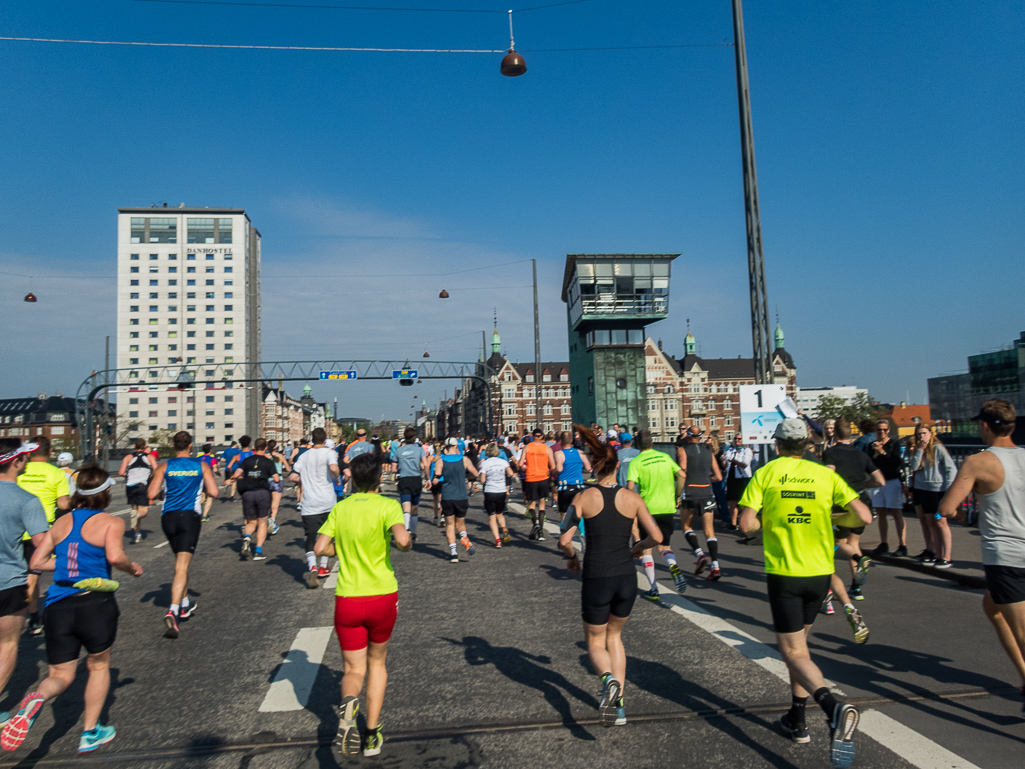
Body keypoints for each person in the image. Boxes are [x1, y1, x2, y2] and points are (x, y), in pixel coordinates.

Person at [738, 418, 871, 765]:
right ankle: (797, 720)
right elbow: (864, 516)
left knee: (793, 653)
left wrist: (773, 518)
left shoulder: (767, 473)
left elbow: (745, 523)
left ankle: (832, 707)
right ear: (808, 445)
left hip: (785, 573)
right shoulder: (824, 475)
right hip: (821, 573)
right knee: (802, 650)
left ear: (778, 444)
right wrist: (826, 518)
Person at [2, 467, 143, 754]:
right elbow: (115, 556)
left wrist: (68, 564)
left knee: (61, 675)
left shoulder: (61, 523)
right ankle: (91, 731)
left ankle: (36, 698)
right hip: (95, 602)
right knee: (99, 665)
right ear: (105, 493)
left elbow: (37, 564)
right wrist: (132, 568)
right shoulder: (110, 522)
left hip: (58, 604)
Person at [560, 425, 661, 728]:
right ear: (618, 466)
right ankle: (619, 709)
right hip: (626, 579)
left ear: (595, 465)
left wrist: (573, 558)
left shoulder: (584, 497)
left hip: (597, 576)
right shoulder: (632, 498)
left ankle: (607, 681)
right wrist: (637, 548)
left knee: (595, 641)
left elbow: (564, 540)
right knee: (615, 637)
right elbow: (655, 536)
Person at [314, 453, 411, 757]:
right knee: (377, 663)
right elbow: (404, 540)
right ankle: (371, 733)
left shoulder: (340, 509)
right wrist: (400, 542)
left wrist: (337, 549)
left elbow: (319, 547)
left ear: (352, 480)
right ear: (380, 478)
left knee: (353, 669)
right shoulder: (388, 506)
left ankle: (348, 707)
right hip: (381, 595)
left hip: (348, 599)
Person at [939, 399, 1025, 714]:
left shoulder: (979, 462)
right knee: (993, 608)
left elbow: (947, 509)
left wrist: (963, 513)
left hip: (1007, 558)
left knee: (1022, 632)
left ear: (985, 426)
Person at [146, 431, 218, 639]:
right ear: (191, 445)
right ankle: (173, 610)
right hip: (189, 517)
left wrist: (164, 491)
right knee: (182, 565)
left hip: (168, 517)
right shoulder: (200, 465)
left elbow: (151, 495)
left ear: (173, 445)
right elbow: (214, 492)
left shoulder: (164, 466)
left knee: (179, 560)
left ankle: (184, 604)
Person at [0, 440, 49, 727]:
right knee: (6, 645)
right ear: (16, 462)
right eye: (25, 457)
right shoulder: (26, 499)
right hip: (8, 582)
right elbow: (42, 545)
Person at [17, 437, 71, 636]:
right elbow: (64, 505)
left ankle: (28, 614)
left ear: (29, 452)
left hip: (14, 528)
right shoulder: (56, 473)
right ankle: (30, 619)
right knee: (32, 575)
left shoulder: (19, 470)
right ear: (50, 452)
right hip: (39, 530)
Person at [627, 430, 688, 599]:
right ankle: (672, 565)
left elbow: (630, 488)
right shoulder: (665, 457)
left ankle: (654, 589)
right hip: (667, 508)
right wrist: (677, 496)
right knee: (664, 546)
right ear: (652, 443)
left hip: (647, 510)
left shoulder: (636, 462)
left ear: (637, 445)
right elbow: (682, 475)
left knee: (647, 549)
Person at [291, 428, 341, 588]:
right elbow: (333, 468)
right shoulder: (329, 453)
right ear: (325, 440)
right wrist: (337, 479)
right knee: (329, 535)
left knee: (310, 537)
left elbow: (293, 475)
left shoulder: (304, 456)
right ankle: (324, 566)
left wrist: (303, 477)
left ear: (312, 440)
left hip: (309, 504)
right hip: (327, 501)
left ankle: (312, 566)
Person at [677, 426, 725, 580]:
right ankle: (716, 567)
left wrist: (677, 493)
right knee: (709, 531)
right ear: (700, 436)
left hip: (691, 492)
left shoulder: (682, 450)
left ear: (688, 436)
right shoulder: (708, 451)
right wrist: (705, 479)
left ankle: (699, 554)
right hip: (706, 492)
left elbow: (683, 469)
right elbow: (718, 477)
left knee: (686, 526)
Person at [908, 423, 958, 567]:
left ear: (930, 434)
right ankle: (937, 554)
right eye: (919, 434)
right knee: (930, 522)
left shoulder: (938, 449)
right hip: (924, 490)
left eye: (924, 433)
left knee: (940, 522)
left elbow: (951, 468)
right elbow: (913, 467)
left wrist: (948, 490)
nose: (922, 437)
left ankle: (946, 556)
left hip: (938, 490)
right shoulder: (919, 450)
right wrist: (919, 450)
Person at [230, 439, 280, 562]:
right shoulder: (268, 462)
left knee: (251, 522)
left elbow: (237, 473)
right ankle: (258, 551)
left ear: (254, 447)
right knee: (262, 523)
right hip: (262, 493)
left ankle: (247, 537)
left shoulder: (247, 460)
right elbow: (276, 478)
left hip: (248, 494)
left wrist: (239, 477)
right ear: (265, 448)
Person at [433, 438, 480, 562]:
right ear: (455, 447)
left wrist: (440, 479)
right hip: (461, 497)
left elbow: (435, 480)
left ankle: (454, 553)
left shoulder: (440, 461)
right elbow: (475, 474)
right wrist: (464, 475)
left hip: (447, 496)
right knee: (460, 524)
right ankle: (464, 537)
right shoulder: (464, 460)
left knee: (450, 525)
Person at [867, 419, 908, 557]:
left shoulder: (894, 443)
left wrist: (882, 452)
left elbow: (896, 461)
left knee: (897, 513)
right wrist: (876, 453)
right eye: (879, 430)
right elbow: (870, 463)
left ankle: (902, 544)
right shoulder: (871, 445)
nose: (882, 432)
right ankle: (883, 542)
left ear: (888, 430)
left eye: (884, 429)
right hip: (878, 483)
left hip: (892, 480)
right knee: (881, 513)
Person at [391, 428, 429, 544]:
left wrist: (397, 474)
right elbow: (426, 465)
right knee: (415, 508)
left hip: (404, 479)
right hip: (416, 479)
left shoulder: (399, 451)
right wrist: (428, 478)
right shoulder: (419, 450)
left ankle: (406, 529)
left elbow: (393, 468)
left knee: (406, 508)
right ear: (414, 438)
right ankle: (412, 532)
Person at [521, 428, 556, 541]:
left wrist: (524, 470)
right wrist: (550, 473)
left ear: (533, 436)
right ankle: (541, 532)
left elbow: (520, 463)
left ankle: (535, 524)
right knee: (542, 505)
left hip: (531, 478)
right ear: (542, 436)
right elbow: (553, 466)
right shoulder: (547, 448)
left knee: (531, 505)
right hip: (543, 478)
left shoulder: (527, 447)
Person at [119, 439, 156, 543]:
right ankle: (137, 517)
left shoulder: (128, 457)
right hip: (142, 486)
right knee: (143, 511)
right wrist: (150, 475)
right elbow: (156, 469)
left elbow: (121, 472)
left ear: (134, 446)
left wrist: (129, 475)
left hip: (130, 486)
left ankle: (136, 533)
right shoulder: (149, 457)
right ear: (144, 447)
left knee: (135, 509)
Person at [478, 444, 514, 547]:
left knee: (492, 517)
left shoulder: (485, 463)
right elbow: (511, 473)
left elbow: (482, 480)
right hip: (501, 491)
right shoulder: (503, 462)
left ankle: (498, 540)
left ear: (487, 452)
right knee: (500, 513)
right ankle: (504, 528)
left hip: (490, 491)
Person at [554, 431, 592, 525]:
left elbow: (559, 469)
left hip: (565, 487)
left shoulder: (559, 454)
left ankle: (564, 535)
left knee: (564, 514)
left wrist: (551, 473)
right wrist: (578, 470)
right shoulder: (580, 452)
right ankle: (583, 533)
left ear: (561, 441)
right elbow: (589, 469)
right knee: (579, 512)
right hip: (578, 486)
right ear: (571, 440)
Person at [722, 436, 754, 531]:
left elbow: (745, 464)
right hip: (731, 478)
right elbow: (725, 465)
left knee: (743, 502)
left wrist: (734, 460)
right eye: (735, 438)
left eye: (739, 439)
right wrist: (723, 460)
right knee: (732, 502)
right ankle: (733, 523)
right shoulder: (730, 450)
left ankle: (744, 523)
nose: (737, 440)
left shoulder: (747, 450)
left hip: (742, 478)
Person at [266, 439, 291, 536]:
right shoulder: (280, 456)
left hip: (267, 480)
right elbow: (288, 469)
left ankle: (267, 519)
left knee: (268, 502)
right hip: (278, 480)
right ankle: (272, 521)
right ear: (276, 447)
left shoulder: (265, 456)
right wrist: (282, 467)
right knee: (275, 505)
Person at [197, 444, 218, 522]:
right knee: (209, 497)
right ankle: (204, 516)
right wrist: (219, 473)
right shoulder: (212, 459)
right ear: (210, 450)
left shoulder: (198, 459)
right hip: (208, 480)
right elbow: (215, 470)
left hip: (199, 479)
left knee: (202, 497)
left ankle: (196, 512)